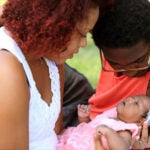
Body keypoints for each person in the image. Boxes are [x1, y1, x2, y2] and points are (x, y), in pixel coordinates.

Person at [0, 0, 100, 149]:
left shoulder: (51, 61)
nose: (84, 44)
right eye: (82, 34)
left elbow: (54, 135)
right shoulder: (7, 69)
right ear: (55, 25)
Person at [91, 0, 150, 149]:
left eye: (138, 61)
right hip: (89, 127)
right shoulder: (113, 42)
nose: (128, 70)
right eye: (116, 64)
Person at [57, 94, 150, 150]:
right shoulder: (111, 115)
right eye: (133, 97)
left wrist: (109, 132)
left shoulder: (125, 130)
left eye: (136, 103)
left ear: (141, 121)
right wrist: (84, 118)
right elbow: (91, 128)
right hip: (67, 141)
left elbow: (122, 148)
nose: (130, 99)